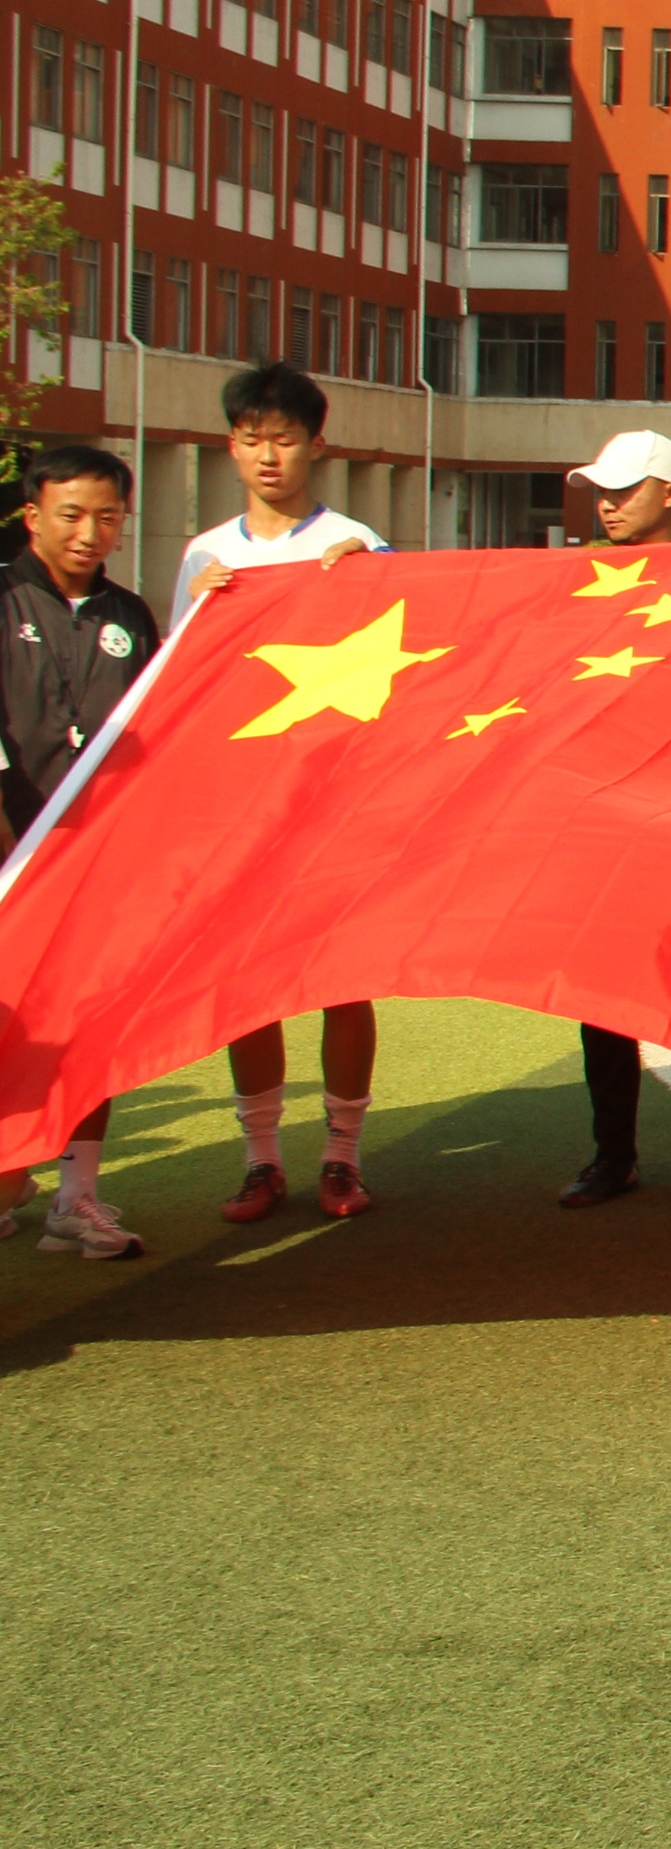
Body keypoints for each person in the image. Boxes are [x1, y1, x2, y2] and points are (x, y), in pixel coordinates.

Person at [179, 361, 390, 1226]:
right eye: (252, 438)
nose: (269, 456)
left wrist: (371, 583)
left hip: (334, 804)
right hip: (241, 809)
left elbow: (405, 675)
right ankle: (261, 1161)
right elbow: (178, 689)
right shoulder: (206, 556)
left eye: (285, 438)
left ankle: (340, 1157)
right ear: (231, 446)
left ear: (316, 444)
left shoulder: (356, 543)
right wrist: (200, 613)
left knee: (344, 980)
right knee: (247, 984)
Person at [547, 431, 671, 1214]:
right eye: (600, 487)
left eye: (625, 489)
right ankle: (613, 1156)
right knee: (602, 1000)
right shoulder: (578, 581)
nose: (607, 502)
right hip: (601, 821)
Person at [4, 447, 158, 1258]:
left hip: (101, 864)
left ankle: (78, 1194)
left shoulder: (130, 614)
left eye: (107, 516)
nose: (89, 531)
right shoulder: (1, 598)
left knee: (90, 1027)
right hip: (13, 861)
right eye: (71, 514)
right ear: (33, 515)